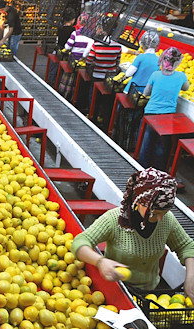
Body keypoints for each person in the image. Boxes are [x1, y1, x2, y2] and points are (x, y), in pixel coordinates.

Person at [71, 168, 194, 301]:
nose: (159, 218)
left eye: (162, 213)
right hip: (116, 291)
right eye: (154, 213)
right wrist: (100, 262)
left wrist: (190, 278)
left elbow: (186, 246)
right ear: (138, 201)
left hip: (150, 295)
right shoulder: (114, 219)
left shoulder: (167, 220)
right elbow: (80, 243)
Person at [138, 48, 190, 170]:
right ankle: (158, 170)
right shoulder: (181, 76)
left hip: (150, 114)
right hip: (167, 116)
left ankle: (141, 168)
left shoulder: (155, 74)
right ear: (178, 63)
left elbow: (146, 92)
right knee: (161, 145)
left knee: (146, 142)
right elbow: (186, 88)